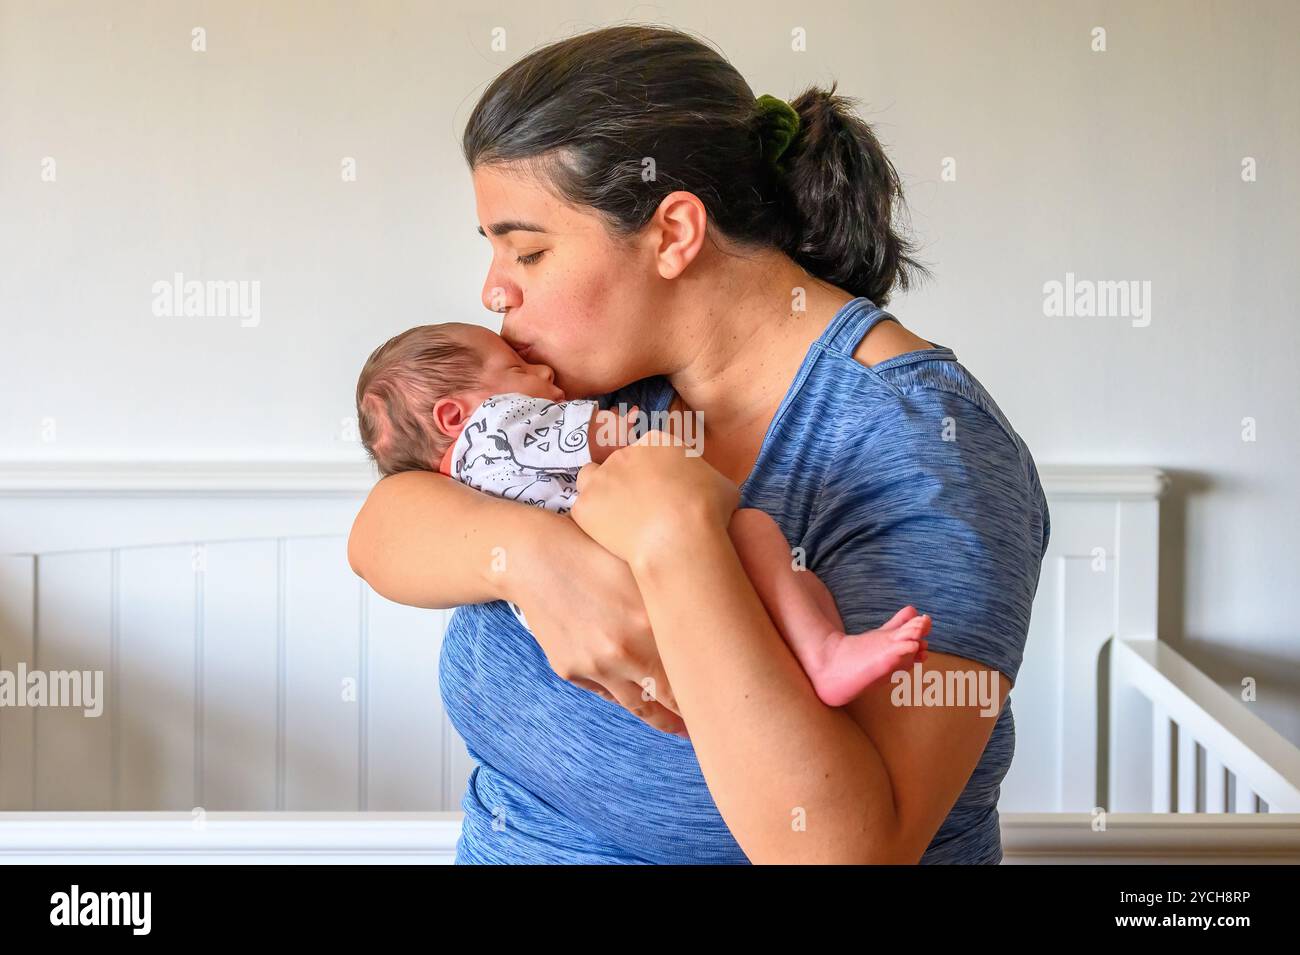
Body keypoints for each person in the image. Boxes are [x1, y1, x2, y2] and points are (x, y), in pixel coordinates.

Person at [348, 24, 1050, 863]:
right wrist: (527, 557)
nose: (493, 287)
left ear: (675, 232)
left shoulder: (921, 446)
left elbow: (843, 851)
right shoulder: (599, 379)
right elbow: (384, 526)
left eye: (527, 248)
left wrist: (676, 538)